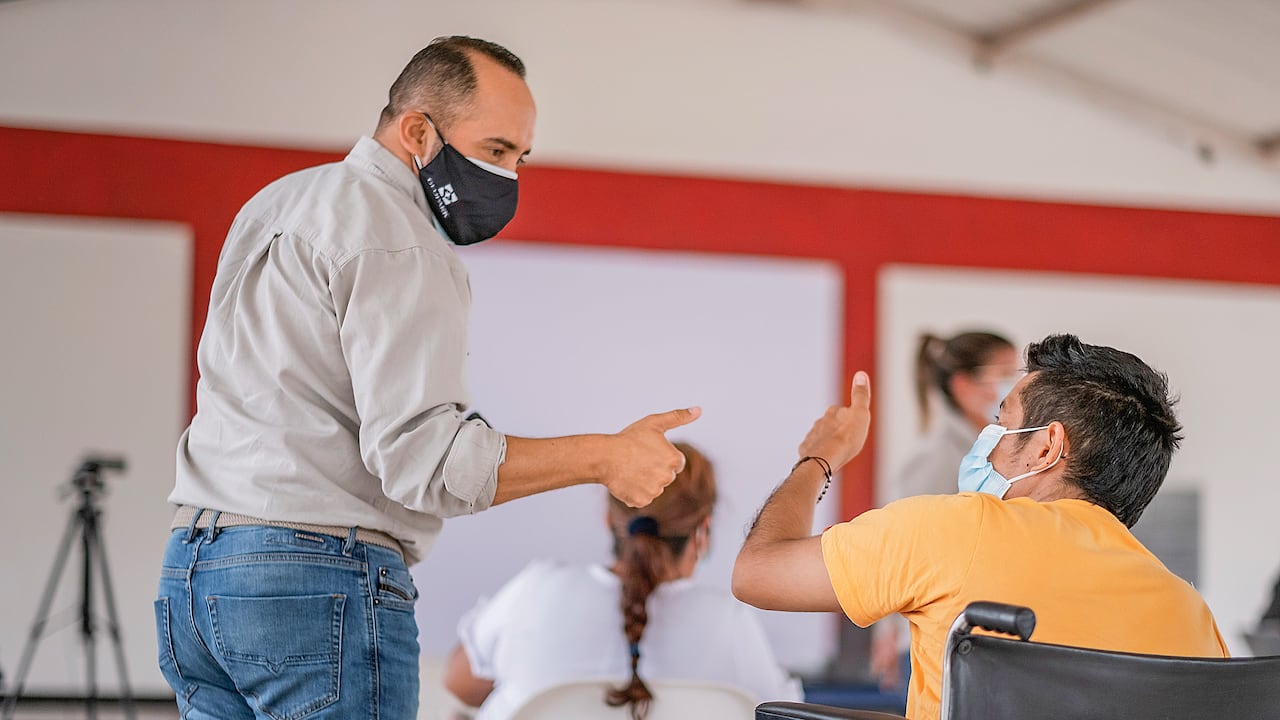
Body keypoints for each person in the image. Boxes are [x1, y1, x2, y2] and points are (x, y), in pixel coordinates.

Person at [154, 37, 698, 720]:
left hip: (196, 575)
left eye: (520, 159)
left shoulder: (275, 204)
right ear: (417, 130)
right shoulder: (399, 236)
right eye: (496, 150)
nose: (509, 177)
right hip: (315, 581)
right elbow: (424, 460)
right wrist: (604, 457)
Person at [732, 334, 1227, 720]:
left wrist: (820, 457)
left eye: (1001, 421)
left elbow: (756, 572)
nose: (986, 441)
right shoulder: (1193, 616)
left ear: (1045, 447)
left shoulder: (953, 530)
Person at [442, 442, 802, 720]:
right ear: (702, 532)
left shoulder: (536, 590)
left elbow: (459, 683)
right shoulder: (729, 622)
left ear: (607, 518)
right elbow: (783, 714)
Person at [871, 331, 1018, 693]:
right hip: (938, 643)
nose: (1014, 387)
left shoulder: (993, 451)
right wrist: (887, 631)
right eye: (1004, 375)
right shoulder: (937, 460)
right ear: (963, 385)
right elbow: (897, 550)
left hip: (977, 638)